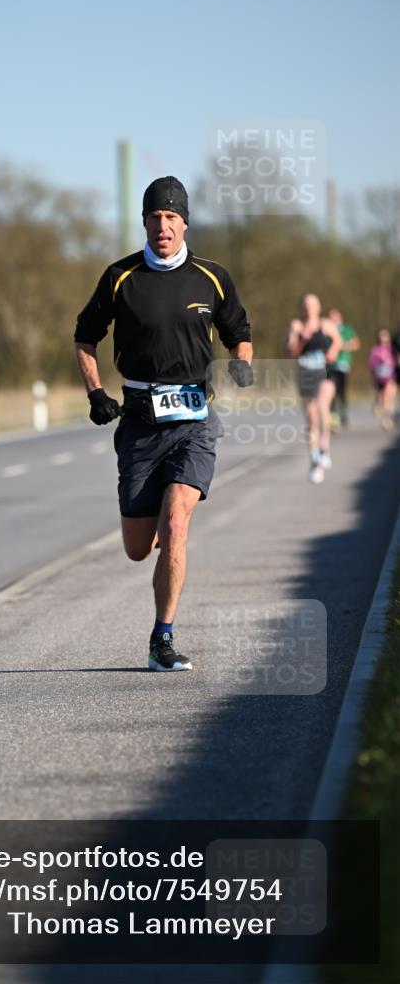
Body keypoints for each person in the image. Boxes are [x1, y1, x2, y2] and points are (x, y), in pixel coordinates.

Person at [74, 176, 253, 672]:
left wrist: (241, 360)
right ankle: (154, 530)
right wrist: (96, 393)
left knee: (176, 524)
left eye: (172, 218)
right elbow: (84, 337)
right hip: (139, 421)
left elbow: (240, 331)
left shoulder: (212, 277)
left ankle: (162, 638)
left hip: (195, 421)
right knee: (137, 548)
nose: (163, 227)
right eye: (155, 218)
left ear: (185, 223)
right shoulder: (119, 277)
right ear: (145, 223)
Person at [285, 294, 341, 484]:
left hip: (325, 373)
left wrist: (333, 351)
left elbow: (338, 341)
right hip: (305, 374)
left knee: (322, 406)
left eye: (313, 305)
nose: (309, 308)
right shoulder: (297, 326)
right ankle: (315, 458)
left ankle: (324, 449)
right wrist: (302, 339)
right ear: (302, 308)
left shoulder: (326, 325)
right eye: (306, 305)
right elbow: (290, 353)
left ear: (319, 307)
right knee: (311, 419)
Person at [326, 308, 360, 428]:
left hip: (343, 364)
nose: (332, 319)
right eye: (330, 317)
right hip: (329, 364)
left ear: (340, 317)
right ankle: (332, 415)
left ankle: (343, 414)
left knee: (341, 391)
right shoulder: (326, 329)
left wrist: (343, 346)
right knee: (330, 390)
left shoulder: (347, 329)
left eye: (334, 317)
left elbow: (356, 344)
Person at [368, 329, 397, 431]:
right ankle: (377, 403)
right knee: (382, 397)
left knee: (389, 398)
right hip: (380, 378)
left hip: (391, 377)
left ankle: (387, 420)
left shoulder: (393, 349)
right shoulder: (375, 350)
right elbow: (372, 364)